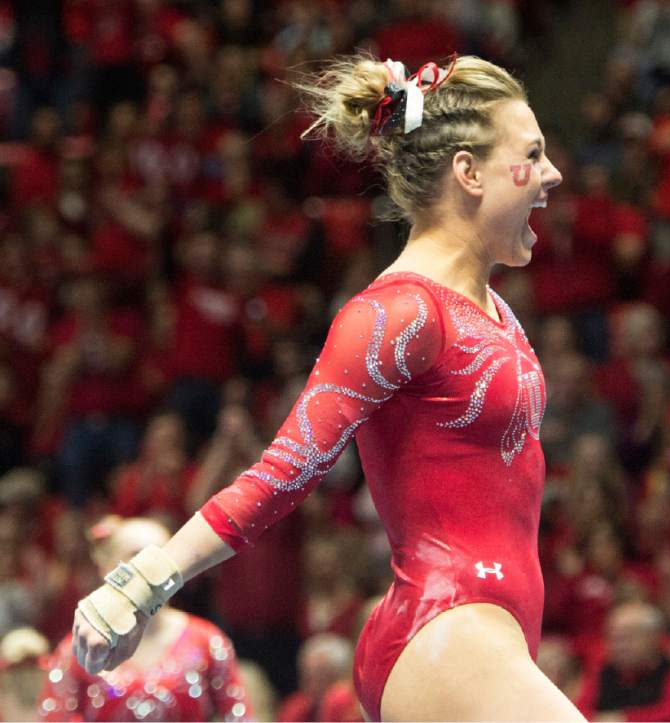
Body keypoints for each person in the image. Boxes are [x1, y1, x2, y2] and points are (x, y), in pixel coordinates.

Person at [71, 53, 578, 722]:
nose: (552, 173)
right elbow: (285, 468)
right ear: (469, 172)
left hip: (488, 636)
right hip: (444, 626)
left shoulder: (490, 307)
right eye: (533, 152)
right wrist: (144, 581)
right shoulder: (399, 312)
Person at [40, 516, 251, 721]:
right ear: (106, 567)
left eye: (160, 556)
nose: (149, 569)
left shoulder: (206, 641)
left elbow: (240, 717)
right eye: (136, 556)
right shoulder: (81, 648)